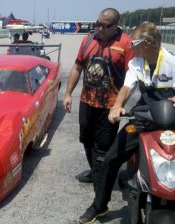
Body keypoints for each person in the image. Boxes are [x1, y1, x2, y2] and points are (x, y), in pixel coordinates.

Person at [78, 22, 175, 224]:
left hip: (172, 121)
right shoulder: (136, 63)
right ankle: (99, 205)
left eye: (134, 42)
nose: (130, 45)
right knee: (110, 158)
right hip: (145, 119)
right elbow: (126, 88)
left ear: (148, 43)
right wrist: (117, 105)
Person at [63, 8, 133, 185]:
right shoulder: (88, 40)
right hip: (87, 102)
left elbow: (131, 79)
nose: (100, 29)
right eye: (98, 24)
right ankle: (96, 172)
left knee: (102, 146)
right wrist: (68, 94)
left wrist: (119, 105)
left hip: (109, 106)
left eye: (105, 26)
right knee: (87, 141)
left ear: (116, 25)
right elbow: (77, 67)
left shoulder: (125, 44)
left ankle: (101, 183)